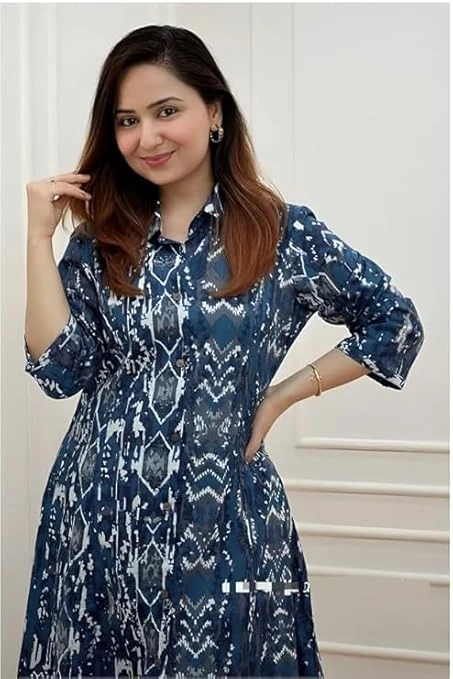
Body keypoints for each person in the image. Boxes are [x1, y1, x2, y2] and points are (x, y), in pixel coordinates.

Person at [18, 24, 424, 679]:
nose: (146, 137)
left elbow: (394, 322)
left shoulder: (282, 233)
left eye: (166, 111)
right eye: (127, 120)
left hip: (225, 521)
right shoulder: (102, 239)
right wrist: (39, 239)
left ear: (214, 113)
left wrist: (282, 394)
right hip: (97, 522)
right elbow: (59, 370)